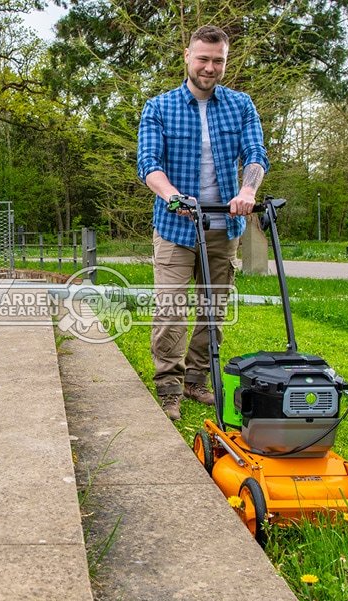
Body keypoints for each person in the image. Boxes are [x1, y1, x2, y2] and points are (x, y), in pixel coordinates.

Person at [136, 25, 270, 420]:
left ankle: (196, 380)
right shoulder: (159, 107)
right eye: (203, 59)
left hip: (222, 226)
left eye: (218, 60)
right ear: (187, 58)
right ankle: (169, 387)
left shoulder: (241, 105)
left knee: (212, 310)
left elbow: (255, 152)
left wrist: (247, 190)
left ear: (225, 61)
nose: (210, 67)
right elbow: (149, 164)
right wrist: (171, 195)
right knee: (171, 309)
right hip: (176, 226)